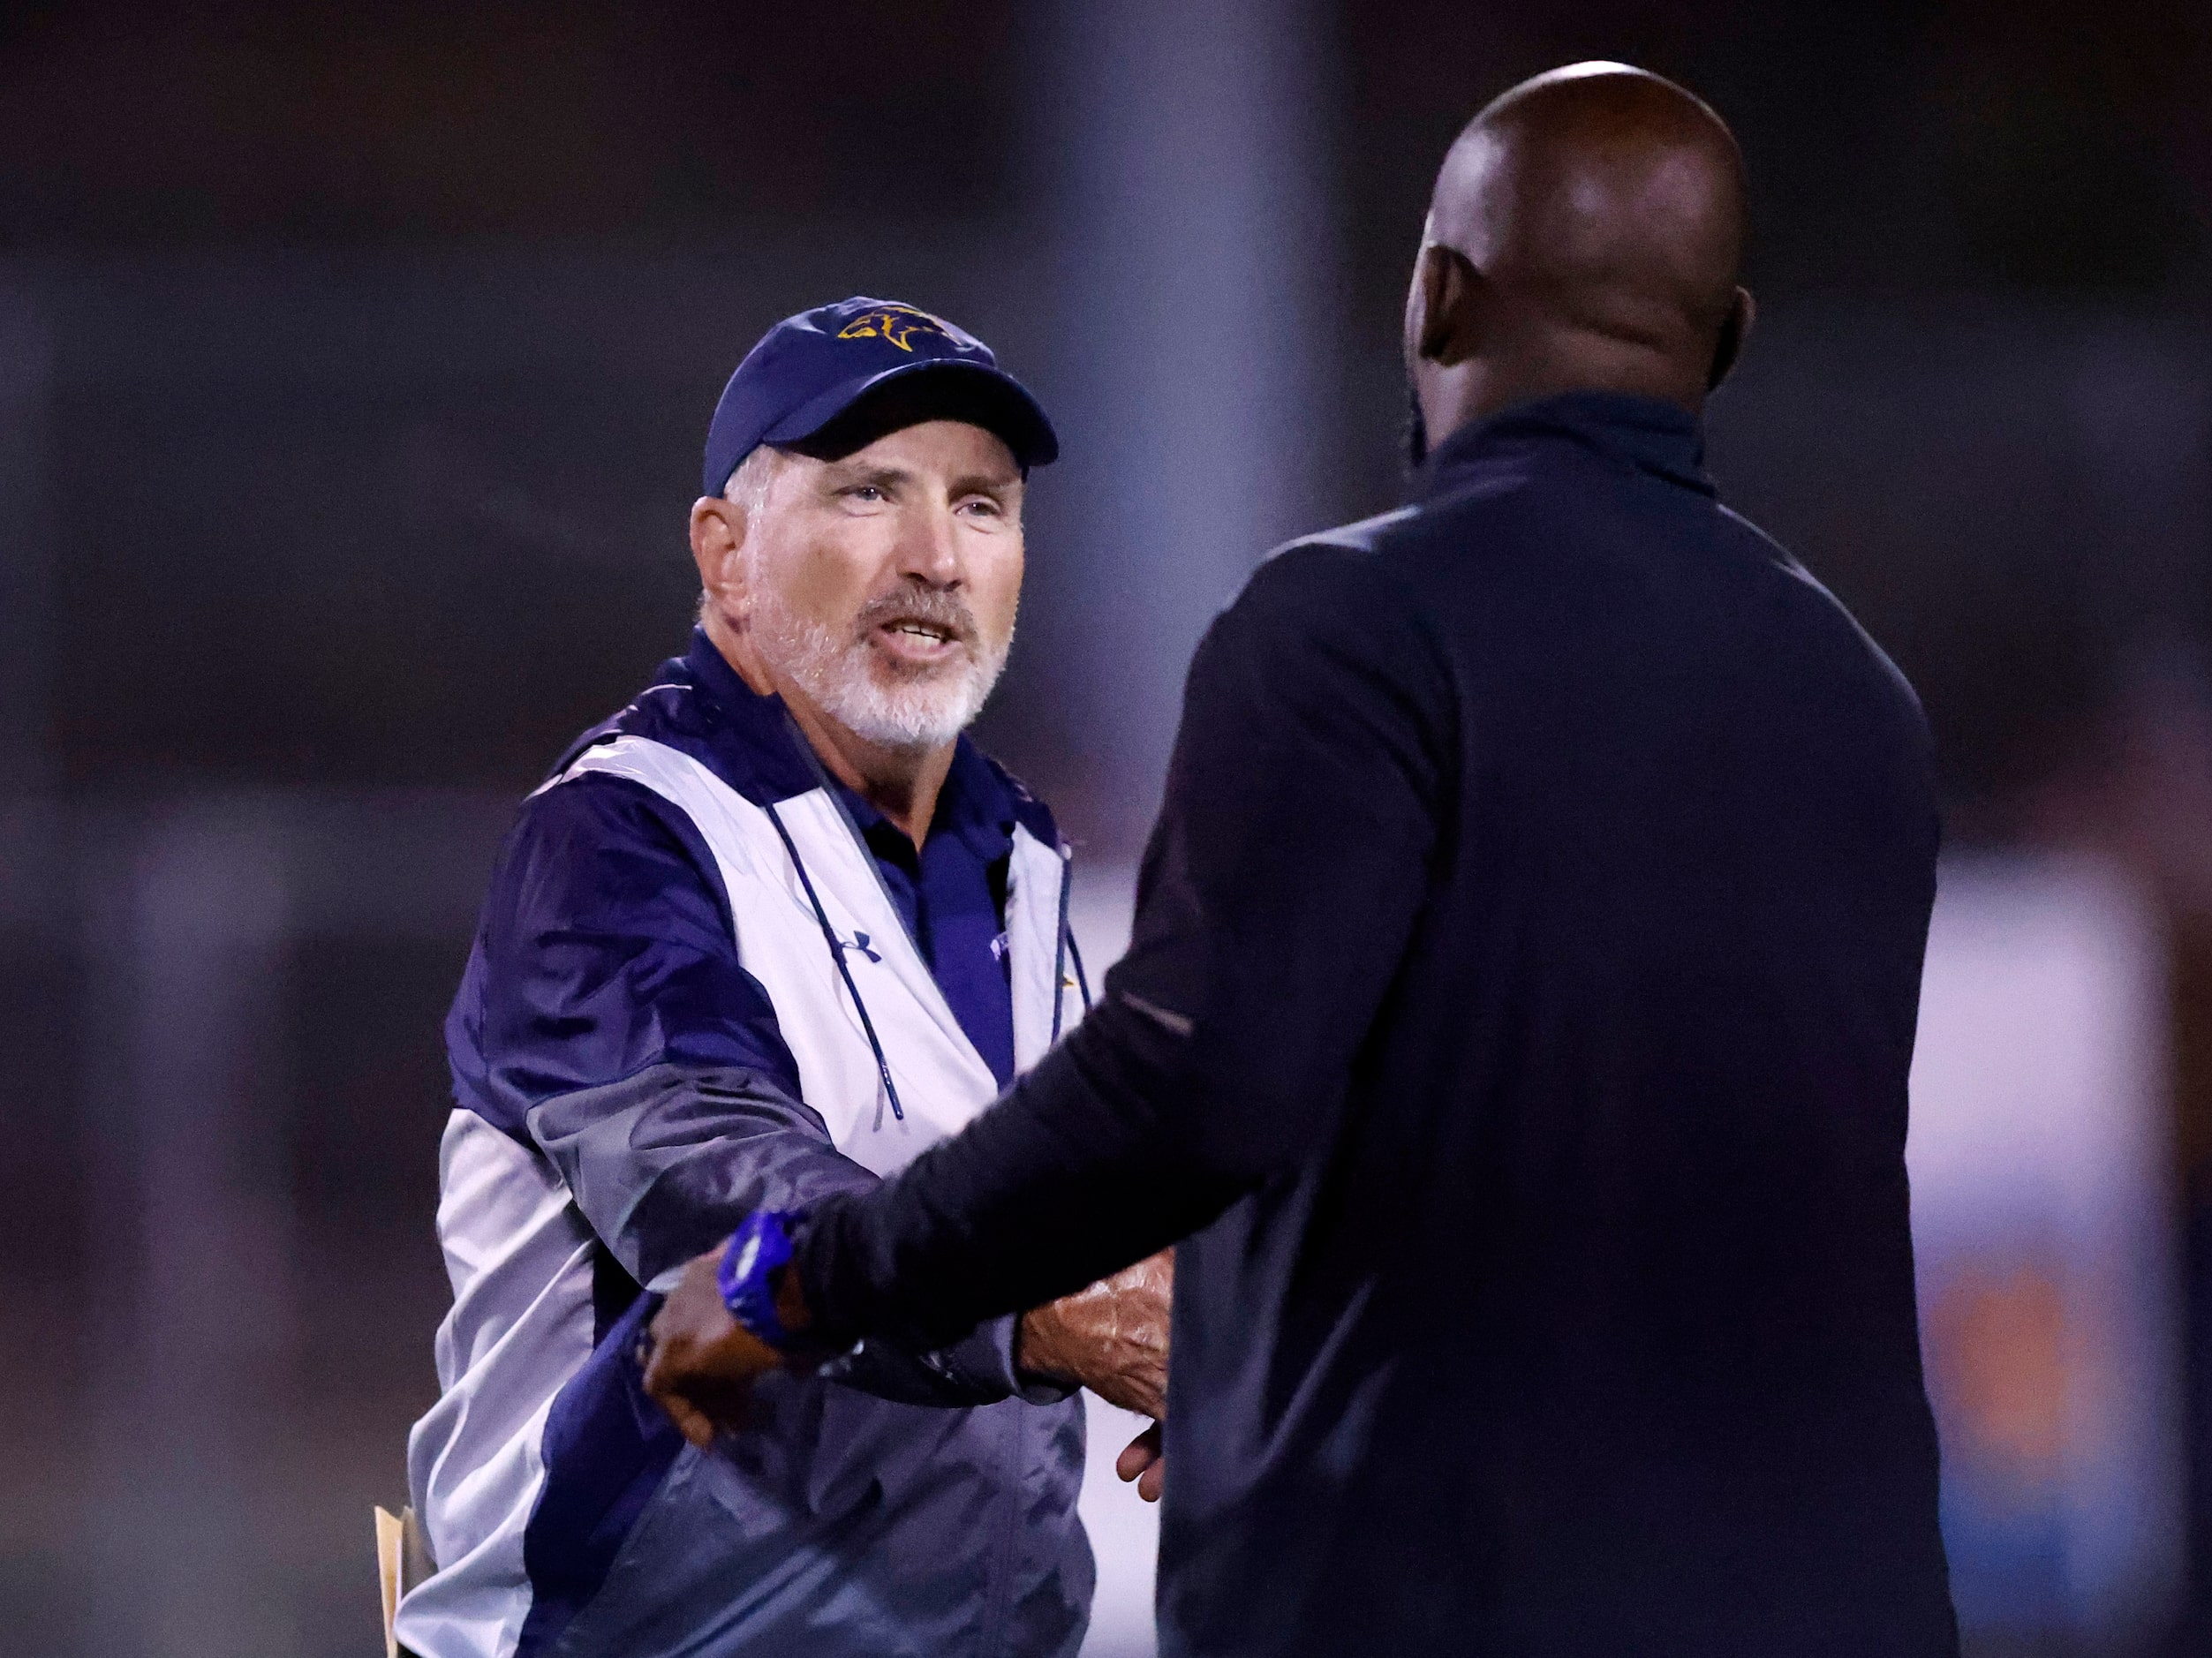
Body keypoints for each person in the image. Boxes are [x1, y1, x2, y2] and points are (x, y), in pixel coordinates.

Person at [649, 64, 1959, 1658]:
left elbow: (1184, 1093)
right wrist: (1254, 1353)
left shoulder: (1355, 633)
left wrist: (806, 1275)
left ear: (1438, 293)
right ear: (1727, 341)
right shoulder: (1862, 703)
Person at [396, 297, 1171, 1658]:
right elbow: (725, 1201)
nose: (935, 554)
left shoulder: (1018, 854)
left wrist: (1208, 1326)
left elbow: (1087, 1207)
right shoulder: (620, 838)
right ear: (727, 555)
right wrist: (1059, 1315)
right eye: (870, 491)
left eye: (982, 506)